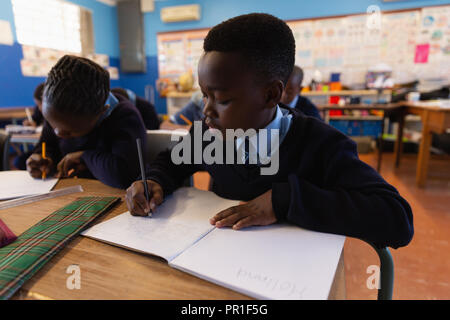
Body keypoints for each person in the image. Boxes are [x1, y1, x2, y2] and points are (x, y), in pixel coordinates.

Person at [125, 13, 413, 249]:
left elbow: (396, 219)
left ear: (271, 95)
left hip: (289, 277)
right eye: (204, 95)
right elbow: (171, 162)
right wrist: (154, 181)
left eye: (222, 99)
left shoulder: (320, 144)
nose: (206, 111)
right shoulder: (207, 134)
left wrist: (284, 201)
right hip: (220, 260)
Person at [26, 55, 147, 189]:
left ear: (101, 112)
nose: (58, 133)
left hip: (107, 196)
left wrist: (84, 157)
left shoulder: (124, 116)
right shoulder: (57, 110)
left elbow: (124, 174)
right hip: (68, 191)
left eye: (70, 132)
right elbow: (47, 144)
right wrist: (42, 158)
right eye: (51, 123)